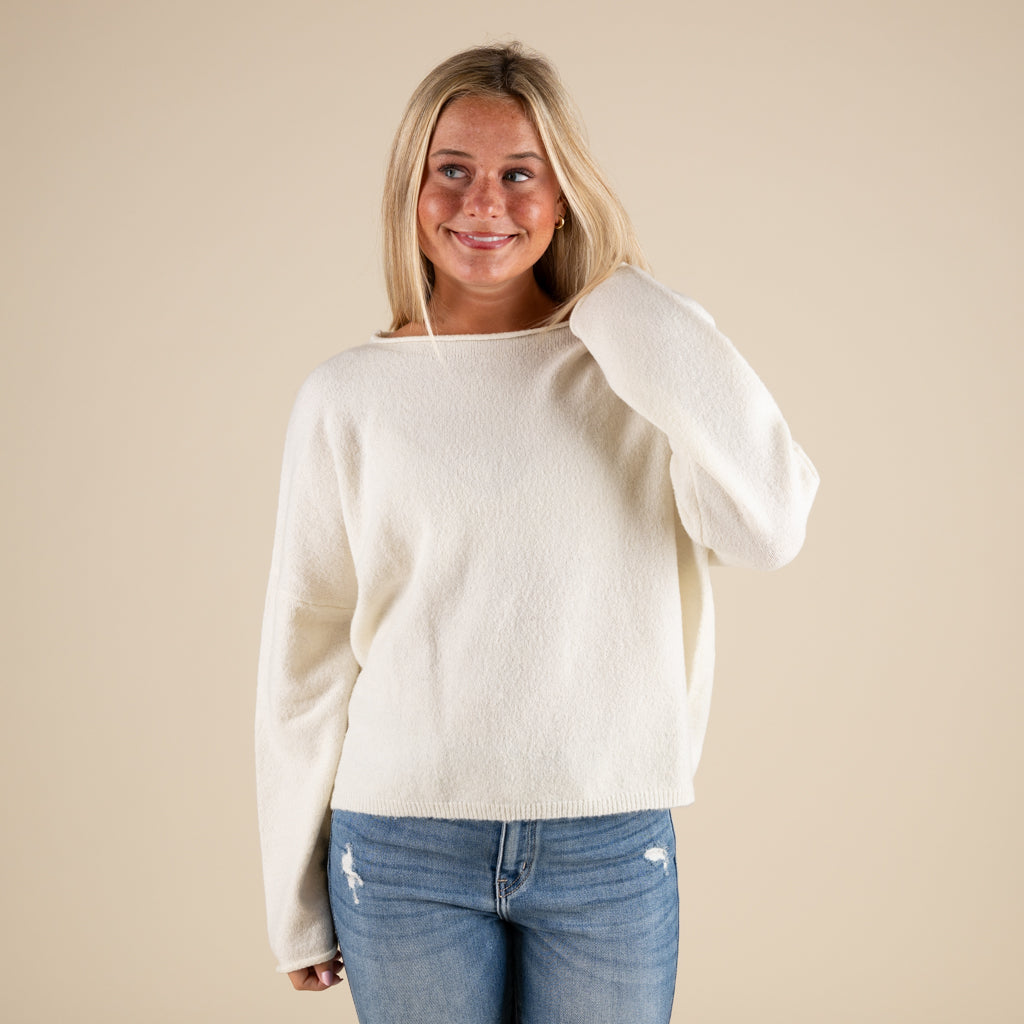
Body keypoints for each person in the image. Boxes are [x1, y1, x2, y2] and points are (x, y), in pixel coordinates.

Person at [255, 40, 819, 1024]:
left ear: (564, 195)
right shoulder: (347, 397)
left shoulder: (634, 362)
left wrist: (625, 300)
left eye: (521, 173)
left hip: (606, 838)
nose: (484, 203)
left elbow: (767, 527)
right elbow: (303, 655)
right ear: (409, 192)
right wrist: (292, 896)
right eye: (452, 171)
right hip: (402, 842)